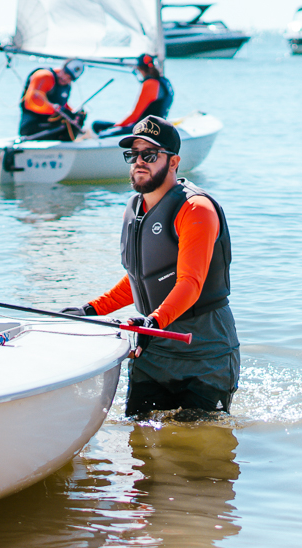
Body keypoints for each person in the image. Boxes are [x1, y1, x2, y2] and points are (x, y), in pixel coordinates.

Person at [62, 115, 239, 417]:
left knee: (198, 439)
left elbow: (190, 283)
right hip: (154, 347)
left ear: (174, 162)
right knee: (140, 433)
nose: (139, 162)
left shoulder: (196, 209)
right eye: (134, 154)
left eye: (150, 154)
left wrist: (153, 323)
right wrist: (90, 310)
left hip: (204, 348)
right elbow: (141, 279)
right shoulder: (134, 208)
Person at [92, 54, 174, 137]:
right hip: (157, 126)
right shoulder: (165, 82)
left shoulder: (150, 84)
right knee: (98, 124)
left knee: (101, 133)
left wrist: (116, 127)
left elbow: (134, 116)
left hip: (146, 129)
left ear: (139, 69)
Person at [19, 59, 87, 141]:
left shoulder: (66, 85)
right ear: (62, 68)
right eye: (65, 73)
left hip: (51, 125)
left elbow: (63, 105)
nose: (65, 78)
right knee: (65, 123)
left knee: (76, 118)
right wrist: (56, 109)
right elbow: (32, 101)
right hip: (32, 126)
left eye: (70, 78)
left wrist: (74, 114)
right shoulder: (44, 76)